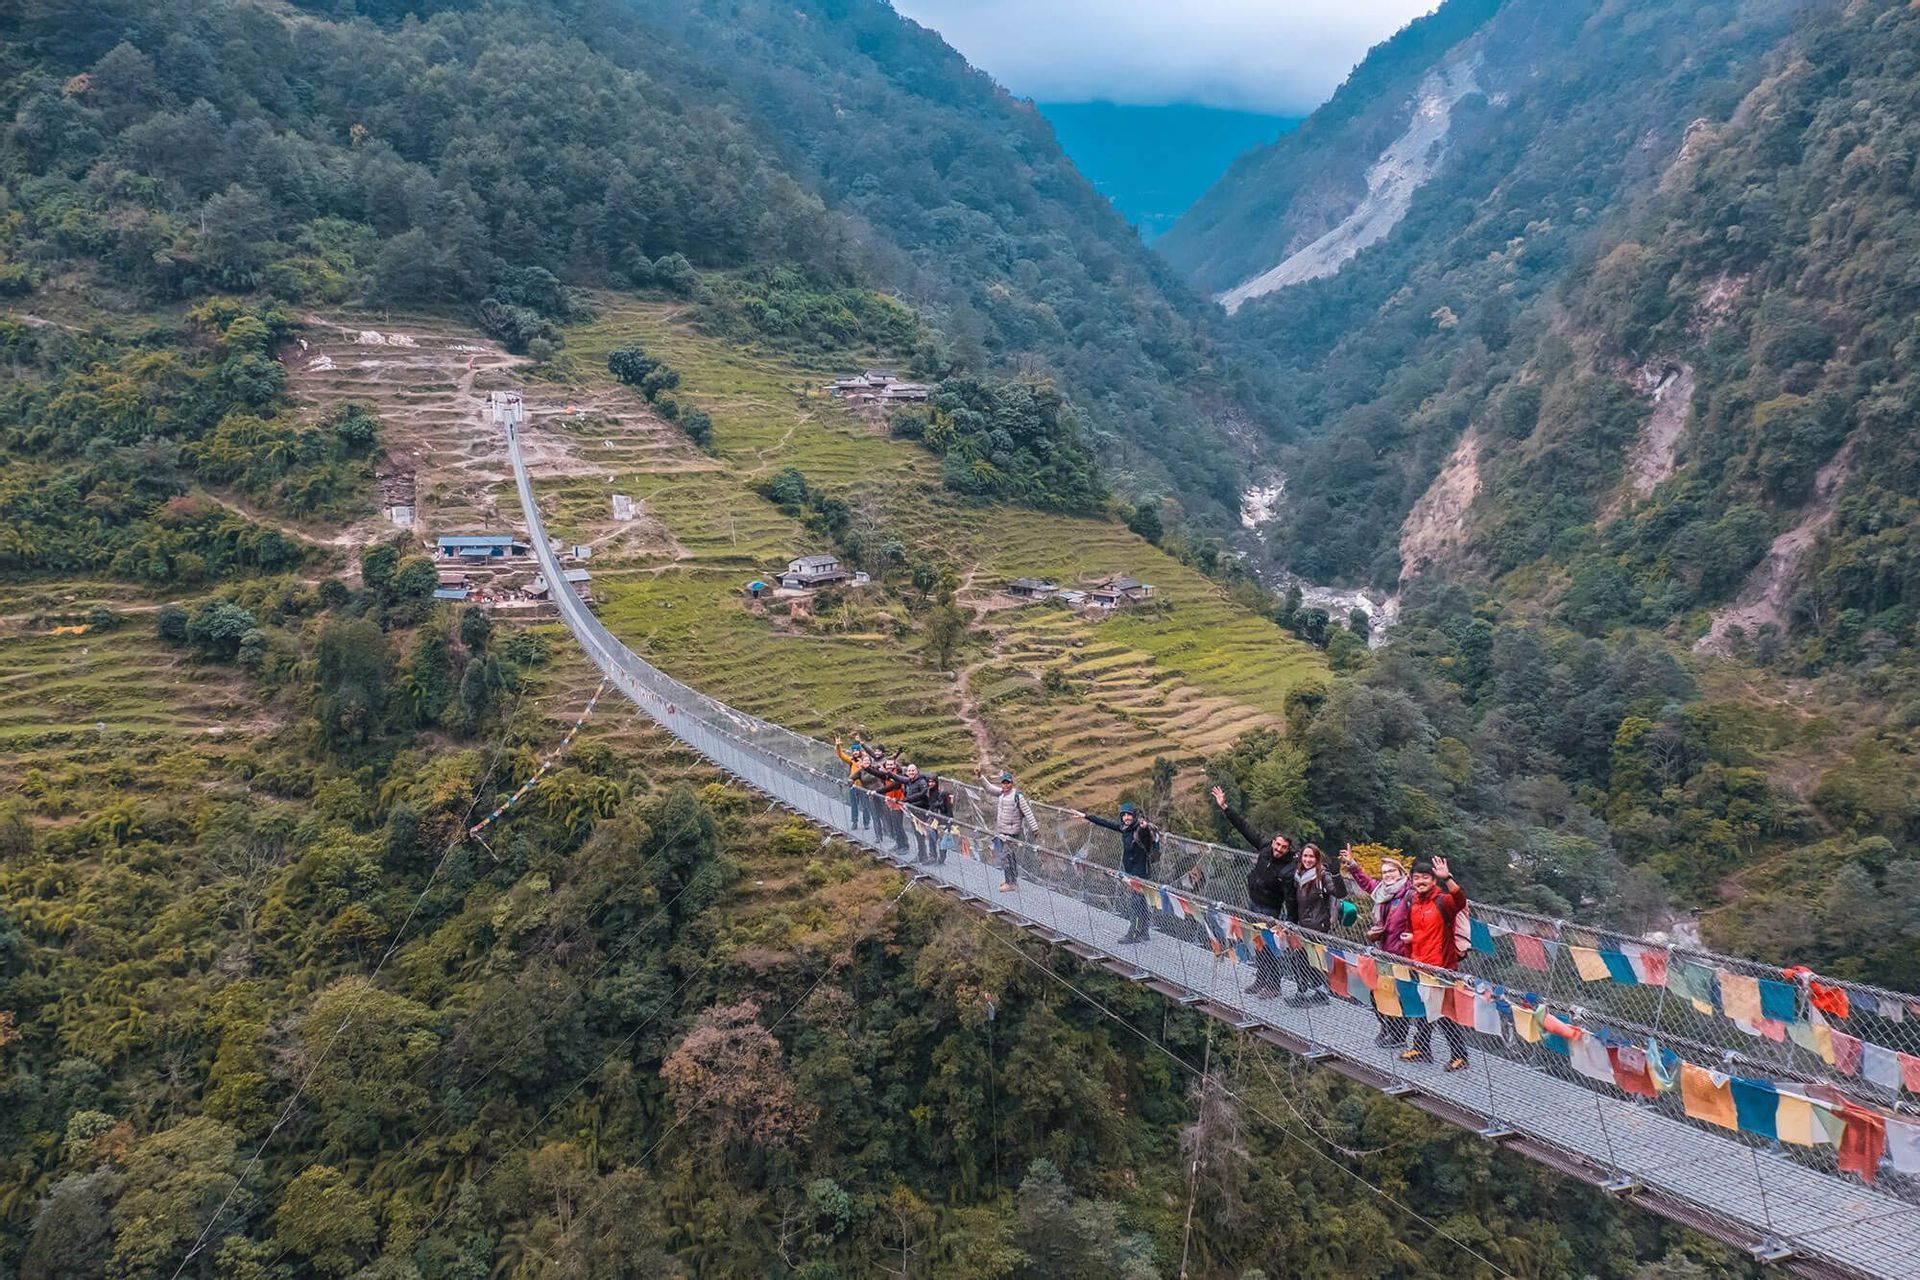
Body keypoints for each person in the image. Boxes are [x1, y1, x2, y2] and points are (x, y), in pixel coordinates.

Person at [1210, 785, 1296, 998]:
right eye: (1277, 845)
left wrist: (1289, 923)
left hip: (1269, 910)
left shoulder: (1288, 869)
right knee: (1256, 943)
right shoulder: (1265, 848)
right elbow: (1244, 828)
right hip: (1253, 903)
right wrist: (1225, 808)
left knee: (1268, 947)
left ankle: (1274, 986)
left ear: (1288, 849)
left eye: (1282, 847)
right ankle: (1261, 980)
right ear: (1273, 841)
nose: (1277, 849)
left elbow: (1291, 898)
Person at [1398, 856, 1470, 1071]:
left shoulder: (1442, 901)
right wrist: (1411, 942)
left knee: (1445, 1012)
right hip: (1419, 963)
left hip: (1441, 967)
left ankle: (1460, 1055)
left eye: (1425, 878)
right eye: (1416, 878)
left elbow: (1460, 902)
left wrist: (1447, 878)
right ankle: (1422, 1048)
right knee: (1425, 1009)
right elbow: (1417, 931)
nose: (1420, 881)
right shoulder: (1413, 901)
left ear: (1433, 880)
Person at [1342, 846, 1414, 1046]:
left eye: (1392, 871)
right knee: (1377, 992)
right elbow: (1366, 883)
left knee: (1395, 995)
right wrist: (1352, 864)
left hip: (1400, 954)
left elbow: (1420, 921)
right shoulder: (1382, 892)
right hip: (1382, 951)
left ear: (1401, 872)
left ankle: (1399, 1035)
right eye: (1384, 872)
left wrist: (1414, 937)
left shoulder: (1409, 895)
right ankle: (1386, 1028)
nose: (1388, 875)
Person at [1073, 801, 1159, 944]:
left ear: (1134, 816)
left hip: (1140, 873)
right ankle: (1144, 932)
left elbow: (1146, 832)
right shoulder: (1124, 828)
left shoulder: (1139, 829)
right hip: (1131, 871)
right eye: (1124, 815)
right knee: (1141, 903)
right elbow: (1105, 823)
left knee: (1136, 903)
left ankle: (1133, 933)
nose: (1126, 817)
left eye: (1129, 815)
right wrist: (1085, 816)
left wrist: (1144, 826)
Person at [1283, 843, 1346, 1005]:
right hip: (1303, 923)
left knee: (1307, 959)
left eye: (1311, 857)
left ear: (1317, 859)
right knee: (1305, 959)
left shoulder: (1322, 875)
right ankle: (1313, 991)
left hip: (1317, 926)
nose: (1308, 859)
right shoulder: (1299, 874)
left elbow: (1339, 893)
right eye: (1305, 856)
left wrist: (1337, 875)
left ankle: (1309, 992)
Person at [982, 769, 1039, 891]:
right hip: (1003, 831)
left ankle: (1011, 883)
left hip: (1012, 833)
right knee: (1009, 856)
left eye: (1008, 783)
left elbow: (1028, 812)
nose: (1006, 785)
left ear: (1012, 783)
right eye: (1004, 783)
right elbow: (989, 788)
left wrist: (1035, 828)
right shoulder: (1002, 793)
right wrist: (980, 776)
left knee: (1006, 856)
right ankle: (1011, 881)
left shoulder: (1017, 796)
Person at [834, 738, 872, 831]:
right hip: (853, 787)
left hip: (863, 787)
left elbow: (867, 756)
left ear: (860, 751)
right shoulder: (851, 761)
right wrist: (838, 746)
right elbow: (841, 755)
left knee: (865, 806)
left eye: (856, 750)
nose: (855, 752)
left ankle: (866, 823)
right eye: (853, 750)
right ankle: (854, 822)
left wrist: (861, 751)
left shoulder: (864, 761)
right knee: (854, 805)